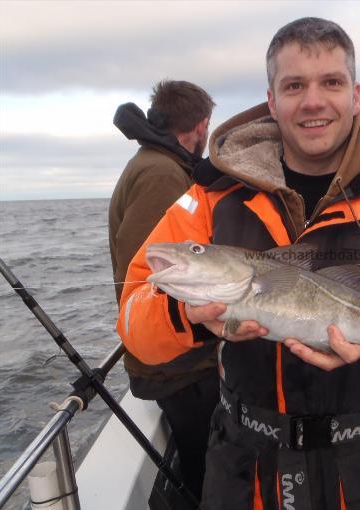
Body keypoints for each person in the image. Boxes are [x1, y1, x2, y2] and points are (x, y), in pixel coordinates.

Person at [118, 18, 360, 510]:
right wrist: (184, 314)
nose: (314, 101)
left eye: (332, 82)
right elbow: (134, 319)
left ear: (356, 94)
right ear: (272, 98)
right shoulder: (211, 197)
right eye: (294, 85)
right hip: (248, 465)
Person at [108, 79, 216, 500]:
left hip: (181, 355)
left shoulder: (157, 163)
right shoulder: (161, 173)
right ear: (201, 125)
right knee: (204, 469)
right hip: (177, 364)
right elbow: (148, 268)